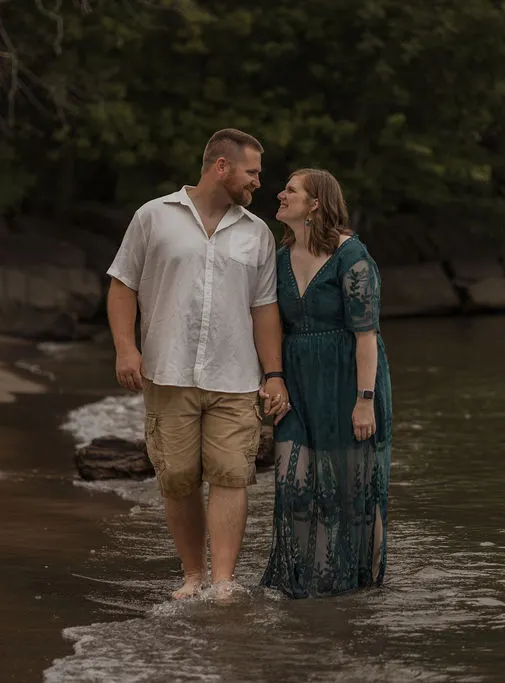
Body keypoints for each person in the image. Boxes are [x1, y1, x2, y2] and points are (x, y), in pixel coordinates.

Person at [106, 129, 291, 600]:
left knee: (232, 475)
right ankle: (193, 576)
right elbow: (122, 284)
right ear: (221, 167)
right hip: (167, 371)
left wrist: (274, 375)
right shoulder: (153, 216)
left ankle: (223, 581)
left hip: (235, 376)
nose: (258, 184)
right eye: (252, 173)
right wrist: (126, 349)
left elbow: (264, 308)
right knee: (179, 478)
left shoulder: (258, 233)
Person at [260, 168, 392, 598]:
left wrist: (365, 400)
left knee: (351, 490)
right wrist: (271, 377)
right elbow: (270, 324)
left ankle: (361, 589)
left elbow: (366, 334)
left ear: (316, 203)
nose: (280, 193)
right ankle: (304, 584)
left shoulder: (351, 255)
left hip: (347, 379)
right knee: (293, 481)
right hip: (296, 380)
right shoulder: (278, 257)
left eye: (291, 190)